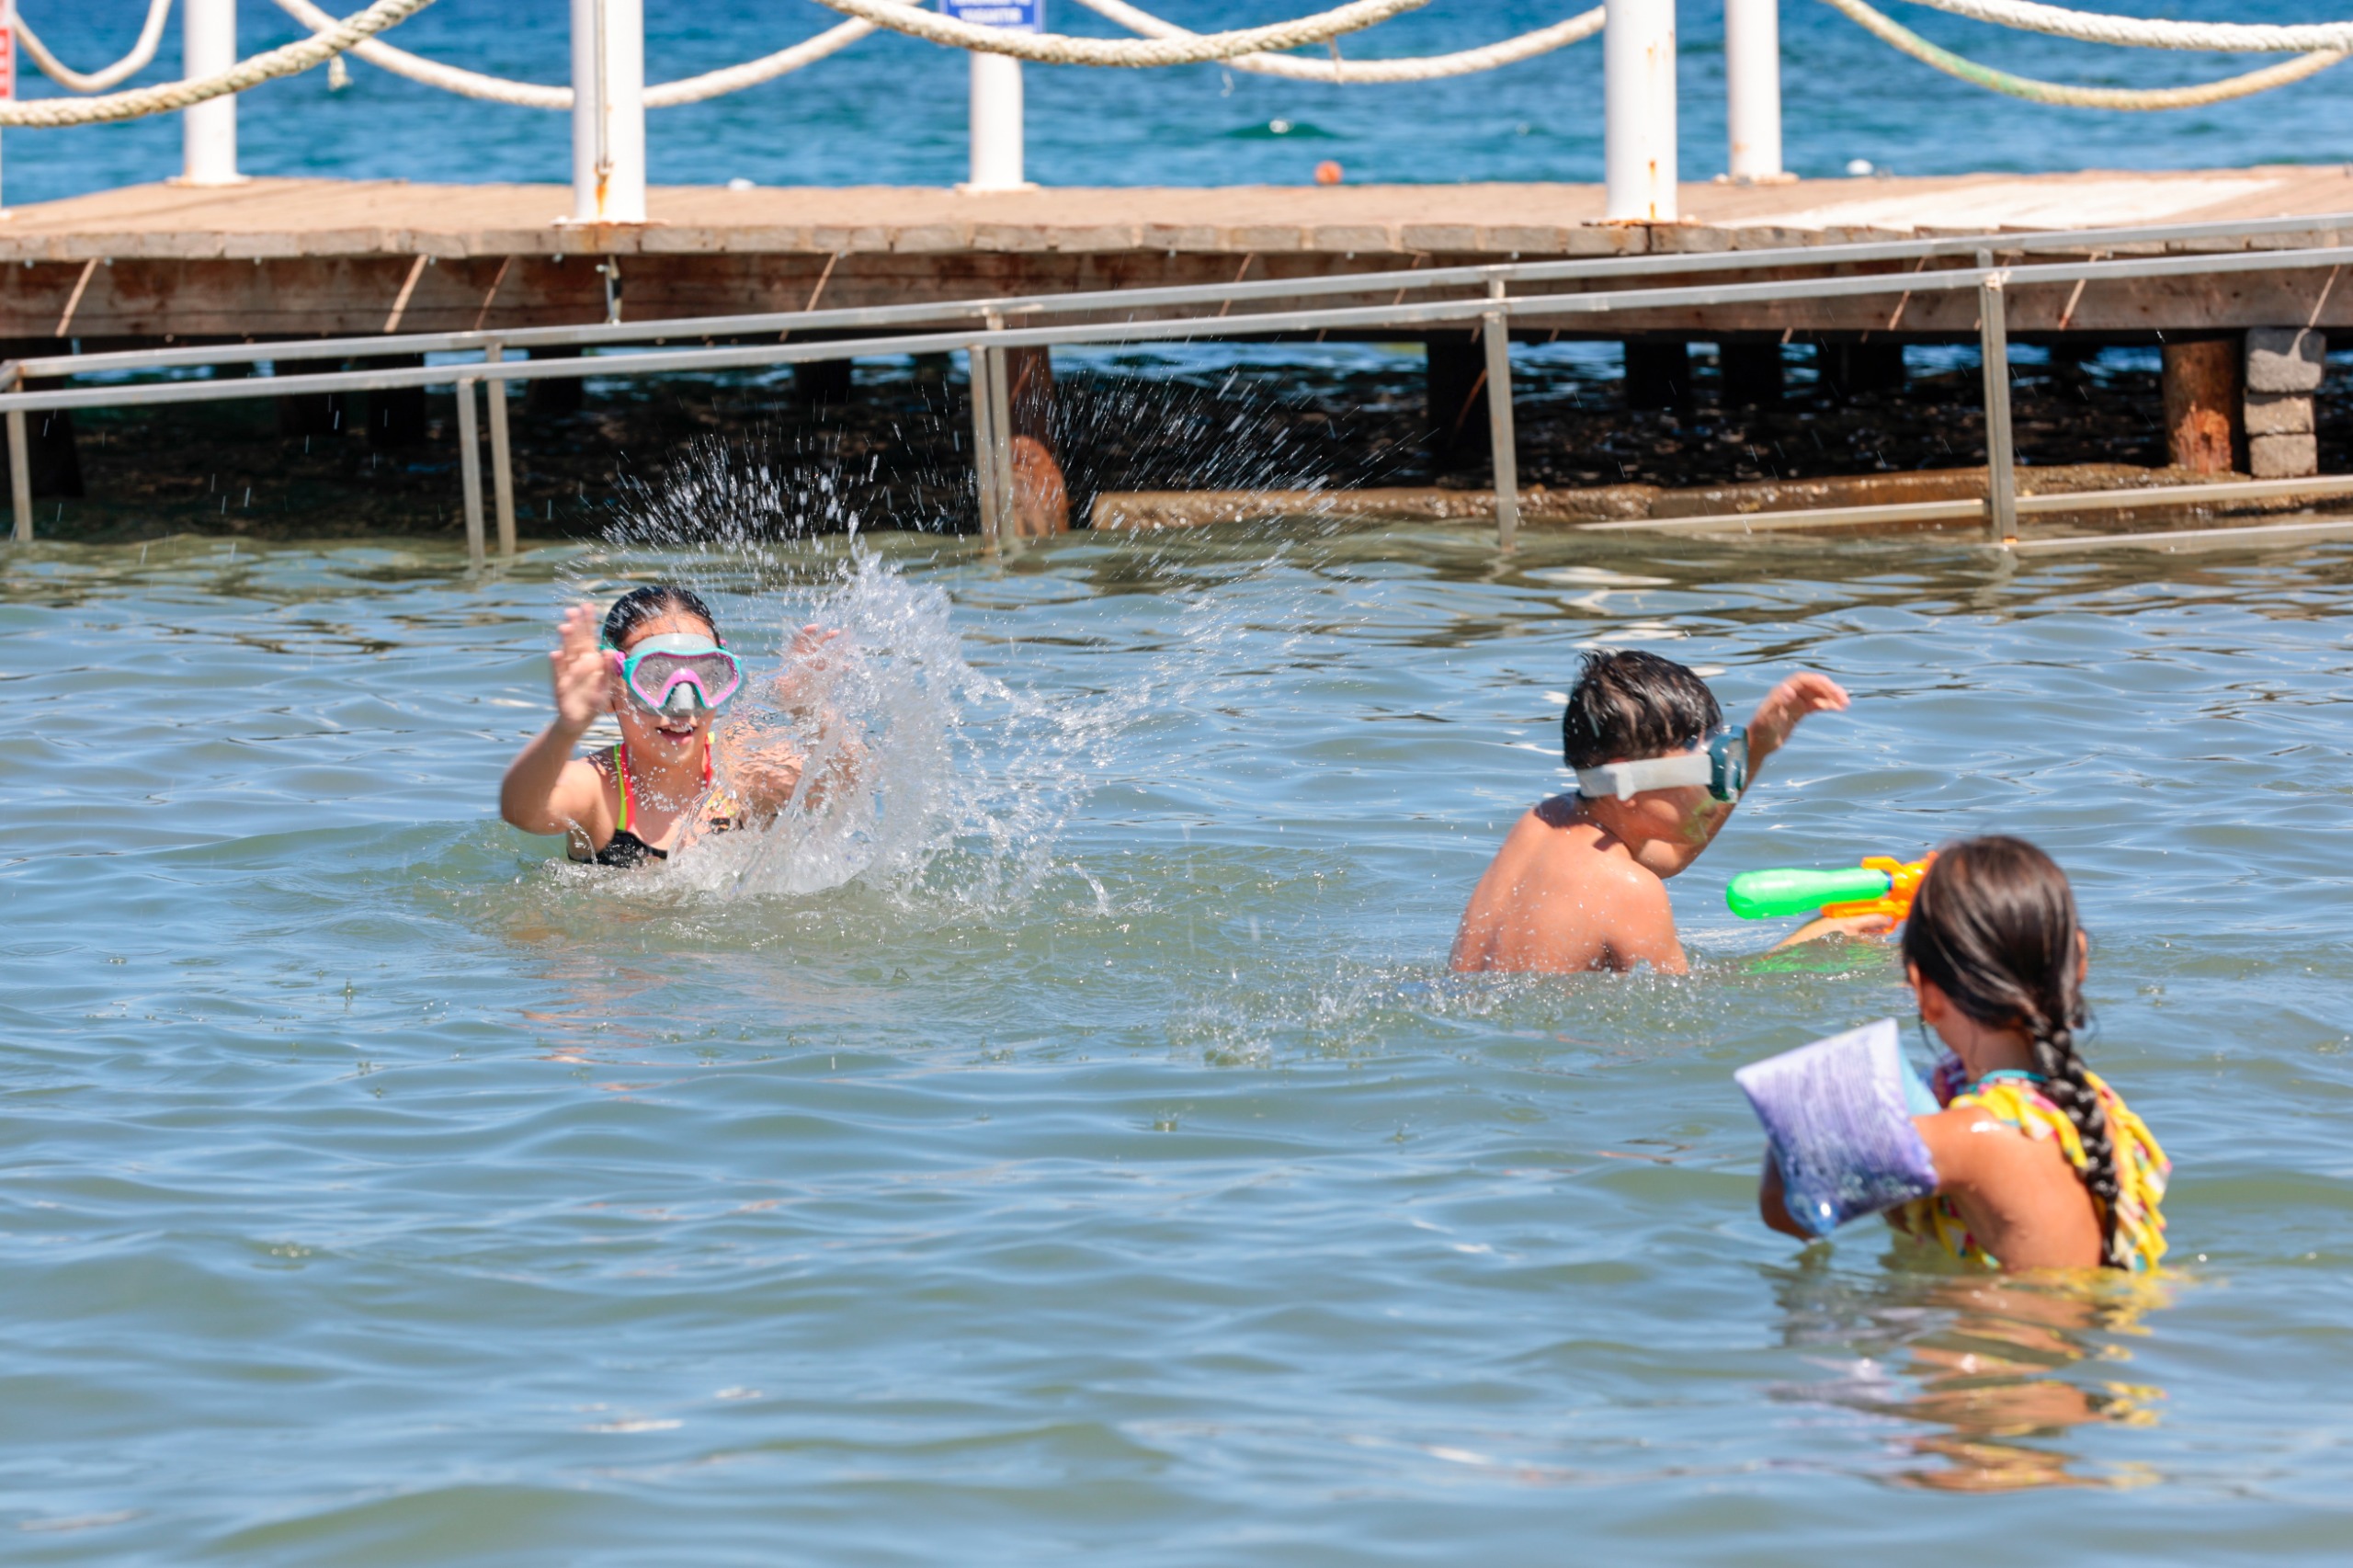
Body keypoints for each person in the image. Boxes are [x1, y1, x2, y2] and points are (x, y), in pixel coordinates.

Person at [1758, 835, 2170, 1273]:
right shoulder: (2096, 1108)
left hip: (1998, 1335)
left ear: (1925, 993)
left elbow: (1788, 1211)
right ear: (2079, 965)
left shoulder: (1965, 1139)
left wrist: (1827, 1086)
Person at [1449, 649, 1859, 974]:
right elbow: (1688, 1017)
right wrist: (1810, 946)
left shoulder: (1546, 821)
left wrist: (1761, 743)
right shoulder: (1630, 890)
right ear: (1627, 782)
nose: (1718, 789)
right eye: (1709, 769)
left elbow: (1675, 852)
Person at [499, 584, 850, 867]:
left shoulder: (740, 769)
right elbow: (521, 811)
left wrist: (810, 707)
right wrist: (567, 728)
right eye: (655, 677)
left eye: (705, 676)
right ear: (610, 690)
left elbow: (849, 780)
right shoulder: (600, 789)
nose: (683, 706)